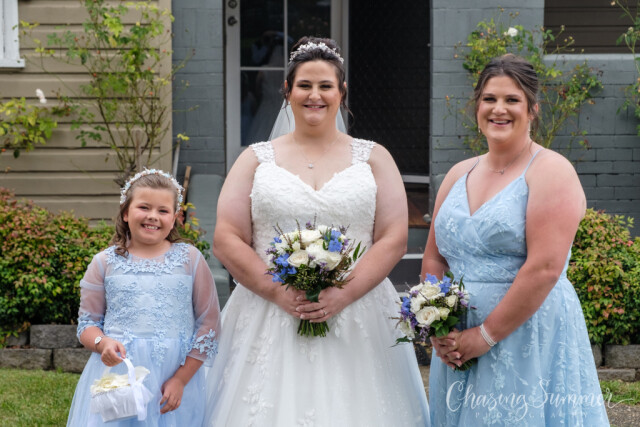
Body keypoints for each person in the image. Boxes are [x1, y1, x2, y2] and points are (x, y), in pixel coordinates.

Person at [204, 36, 430, 426]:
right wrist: (279, 292)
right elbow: (226, 237)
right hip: (269, 311)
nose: (315, 95)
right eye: (304, 85)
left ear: (342, 92)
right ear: (287, 91)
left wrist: (342, 295)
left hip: (358, 311)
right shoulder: (255, 159)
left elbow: (393, 238)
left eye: (325, 85)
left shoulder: (374, 157)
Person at [422, 54, 609, 426]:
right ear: (477, 107)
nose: (499, 109)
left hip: (527, 336)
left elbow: (544, 268)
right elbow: (434, 258)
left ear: (533, 109)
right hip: (458, 340)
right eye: (489, 99)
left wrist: (484, 336)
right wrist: (437, 325)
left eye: (512, 100)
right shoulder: (458, 173)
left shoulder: (551, 170)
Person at [66, 169, 221, 426]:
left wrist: (181, 379)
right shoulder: (104, 263)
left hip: (175, 375)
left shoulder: (190, 259)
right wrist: (102, 343)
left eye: (163, 210)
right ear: (126, 213)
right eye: (144, 207)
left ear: (175, 218)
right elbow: (87, 324)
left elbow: (209, 324)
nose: (153, 216)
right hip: (120, 376)